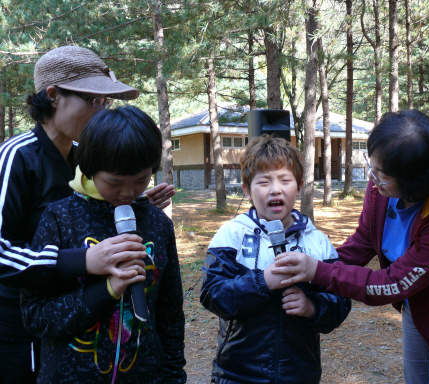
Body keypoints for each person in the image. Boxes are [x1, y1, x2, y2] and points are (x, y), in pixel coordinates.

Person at [273, 110, 429, 383]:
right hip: (420, 307)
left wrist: (317, 272)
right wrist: (313, 264)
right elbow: (363, 242)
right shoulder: (383, 189)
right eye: (372, 166)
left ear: (414, 181)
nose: (372, 178)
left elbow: (393, 283)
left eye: (381, 174)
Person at [0, 46, 174, 383]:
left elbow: (82, 221)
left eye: (105, 102)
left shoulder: (86, 159)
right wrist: (83, 260)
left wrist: (136, 204)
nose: (101, 111)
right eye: (93, 100)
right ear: (53, 96)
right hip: (16, 331)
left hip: (80, 325)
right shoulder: (16, 157)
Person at [20, 106, 186, 384]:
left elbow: (171, 315)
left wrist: (174, 375)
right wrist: (106, 291)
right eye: (115, 182)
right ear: (88, 167)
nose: (128, 192)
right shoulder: (60, 218)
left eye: (141, 181)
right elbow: (36, 316)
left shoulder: (158, 224)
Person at [200, 135, 351, 384]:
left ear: (300, 186)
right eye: (264, 181)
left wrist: (312, 308)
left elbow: (340, 302)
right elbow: (213, 294)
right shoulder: (232, 234)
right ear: (247, 190)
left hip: (299, 372)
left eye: (284, 180)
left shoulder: (317, 241)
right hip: (238, 373)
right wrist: (263, 281)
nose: (275, 189)